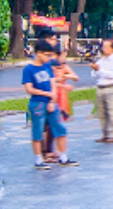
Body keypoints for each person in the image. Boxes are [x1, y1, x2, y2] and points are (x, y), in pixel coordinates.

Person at [22, 42, 76, 170]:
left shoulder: (47, 66)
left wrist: (52, 100)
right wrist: (47, 94)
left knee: (60, 128)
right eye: (46, 55)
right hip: (37, 103)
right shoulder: (29, 69)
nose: (48, 58)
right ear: (38, 53)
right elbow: (29, 89)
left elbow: (52, 83)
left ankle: (63, 157)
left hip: (51, 102)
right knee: (38, 131)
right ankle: (38, 159)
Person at [91, 40, 113, 143]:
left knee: (112, 111)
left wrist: (99, 70)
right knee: (101, 112)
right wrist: (95, 70)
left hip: (111, 87)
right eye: (103, 47)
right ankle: (105, 133)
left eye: (106, 47)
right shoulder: (101, 61)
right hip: (100, 87)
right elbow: (94, 75)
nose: (104, 49)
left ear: (112, 48)